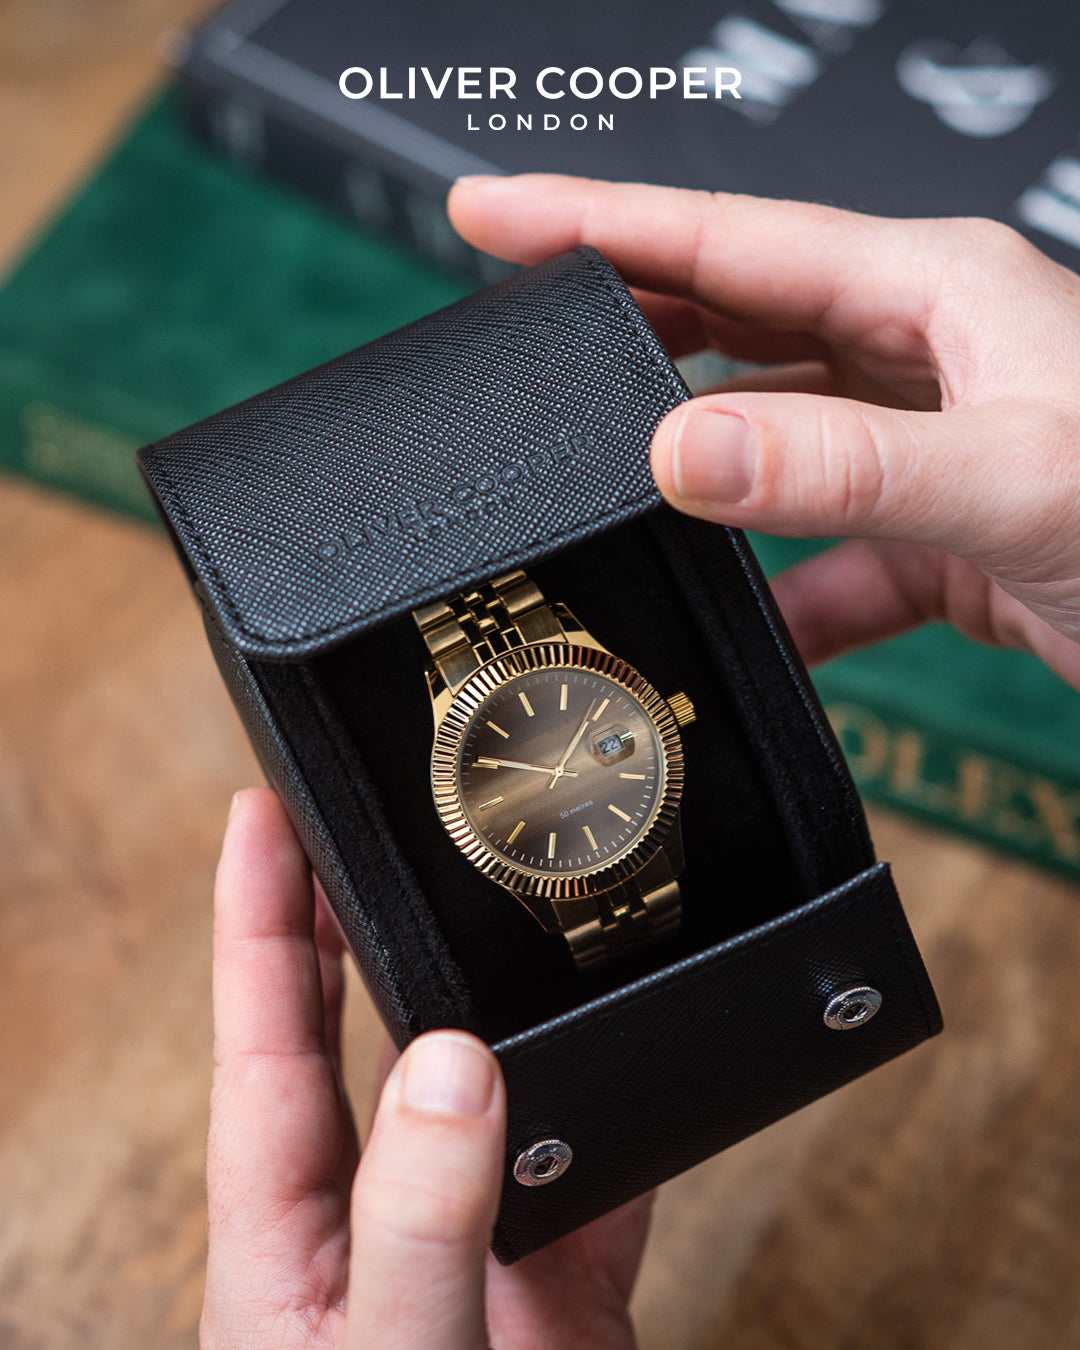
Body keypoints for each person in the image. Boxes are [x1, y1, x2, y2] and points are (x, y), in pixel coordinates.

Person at [199, 175, 1080, 1348]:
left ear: (658, 705)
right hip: (555, 844)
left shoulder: (605, 703)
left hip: (612, 805)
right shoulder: (484, 770)